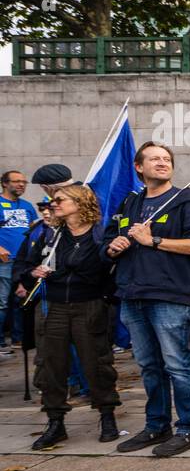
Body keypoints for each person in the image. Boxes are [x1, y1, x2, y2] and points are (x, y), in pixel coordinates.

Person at [103, 142, 190, 457]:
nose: (162, 163)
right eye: (154, 159)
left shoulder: (186, 199)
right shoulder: (130, 202)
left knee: (179, 366)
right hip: (132, 294)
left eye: (166, 159)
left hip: (170, 295)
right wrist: (114, 247)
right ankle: (156, 425)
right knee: (149, 366)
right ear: (139, 167)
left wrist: (154, 240)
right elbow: (108, 241)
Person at [27, 185, 121, 449]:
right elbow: (25, 265)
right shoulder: (48, 234)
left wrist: (106, 294)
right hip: (52, 306)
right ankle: (55, 422)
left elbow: (113, 269)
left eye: (59, 200)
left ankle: (107, 415)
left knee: (97, 362)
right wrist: (33, 273)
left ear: (79, 203)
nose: (52, 205)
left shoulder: (100, 235)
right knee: (50, 366)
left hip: (89, 305)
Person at [0, 170, 38, 358]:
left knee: (21, 299)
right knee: (2, 302)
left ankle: (18, 338)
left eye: (24, 182)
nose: (21, 185)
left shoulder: (27, 206)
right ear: (4, 183)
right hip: (4, 261)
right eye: (16, 181)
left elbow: (33, 230)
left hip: (24, 261)